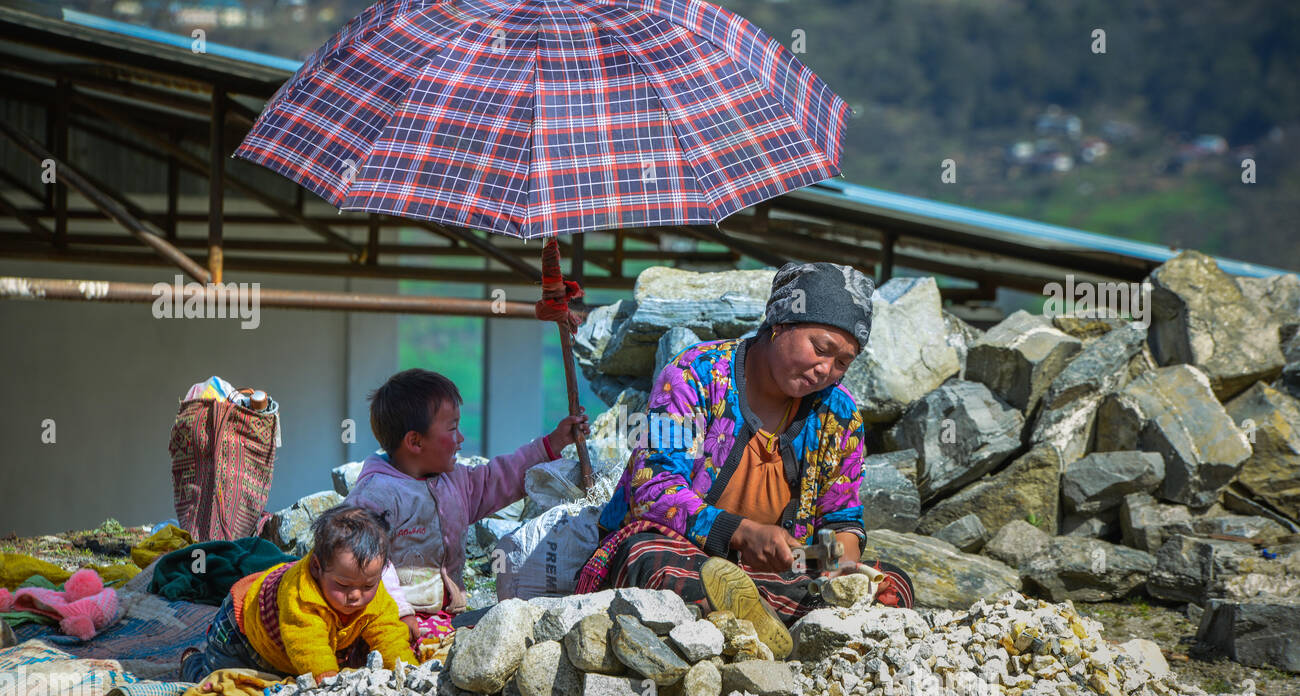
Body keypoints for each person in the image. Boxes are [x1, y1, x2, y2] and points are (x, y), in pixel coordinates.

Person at [577, 262, 914, 658]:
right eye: (820, 349)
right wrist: (744, 534)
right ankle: (779, 629)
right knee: (650, 562)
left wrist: (842, 568)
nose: (826, 369)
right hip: (685, 552)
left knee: (894, 583)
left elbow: (841, 518)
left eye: (843, 362)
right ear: (779, 324)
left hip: (779, 571)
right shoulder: (693, 376)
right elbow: (654, 488)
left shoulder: (839, 416)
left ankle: (748, 623)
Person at [345, 368, 589, 646]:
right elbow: (368, 559)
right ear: (415, 441)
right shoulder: (378, 494)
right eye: (452, 429)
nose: (461, 438)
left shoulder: (454, 481)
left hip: (443, 616)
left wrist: (554, 443)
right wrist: (400, 611)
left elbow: (499, 479)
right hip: (393, 618)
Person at [180, 505, 417, 683]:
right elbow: (308, 646)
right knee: (215, 681)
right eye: (343, 586)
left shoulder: (375, 594)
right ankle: (192, 662)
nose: (355, 595)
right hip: (240, 633)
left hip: (284, 646)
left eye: (367, 586)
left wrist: (408, 671)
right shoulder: (301, 595)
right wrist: (329, 682)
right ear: (316, 567)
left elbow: (389, 634)